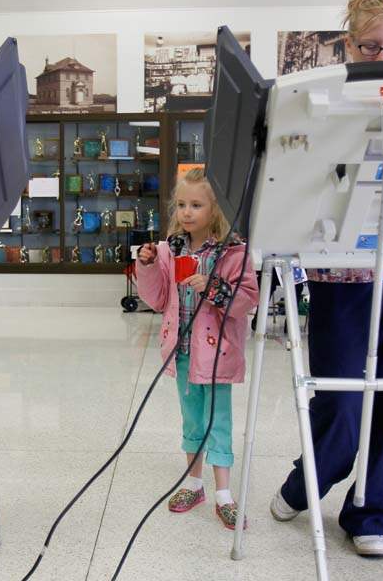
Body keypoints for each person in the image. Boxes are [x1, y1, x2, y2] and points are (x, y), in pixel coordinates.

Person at [270, 0, 383, 559]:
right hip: (340, 275)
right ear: (350, 45)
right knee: (340, 402)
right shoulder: (321, 96)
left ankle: (373, 514)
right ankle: (305, 483)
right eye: (374, 46)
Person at [136, 168, 258, 530]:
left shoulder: (234, 252)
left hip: (217, 355)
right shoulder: (168, 250)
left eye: (196, 205)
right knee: (191, 418)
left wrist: (213, 286)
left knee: (218, 420)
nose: (187, 212)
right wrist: (146, 266)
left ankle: (224, 494)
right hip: (183, 350)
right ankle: (193, 482)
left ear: (216, 209)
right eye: (182, 205)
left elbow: (247, 298)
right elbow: (158, 298)